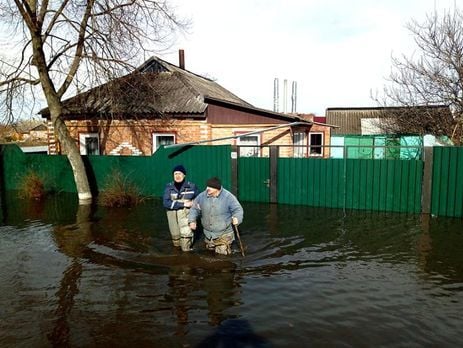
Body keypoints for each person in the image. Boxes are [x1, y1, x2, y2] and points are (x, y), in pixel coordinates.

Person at [188, 176, 244, 255]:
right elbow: (194, 209)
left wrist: (237, 218)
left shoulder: (228, 197)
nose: (207, 188)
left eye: (210, 187)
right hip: (208, 233)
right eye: (207, 186)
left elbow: (238, 210)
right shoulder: (201, 196)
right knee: (209, 253)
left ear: (217, 188)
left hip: (224, 233)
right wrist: (192, 221)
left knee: (222, 256)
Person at [163, 164, 199, 251]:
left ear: (184, 175)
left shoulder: (192, 186)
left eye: (180, 173)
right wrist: (183, 204)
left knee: (185, 244)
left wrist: (194, 219)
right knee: (176, 243)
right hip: (173, 218)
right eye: (175, 174)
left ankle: (188, 259)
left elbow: (199, 201)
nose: (177, 176)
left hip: (186, 218)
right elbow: (166, 203)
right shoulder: (169, 187)